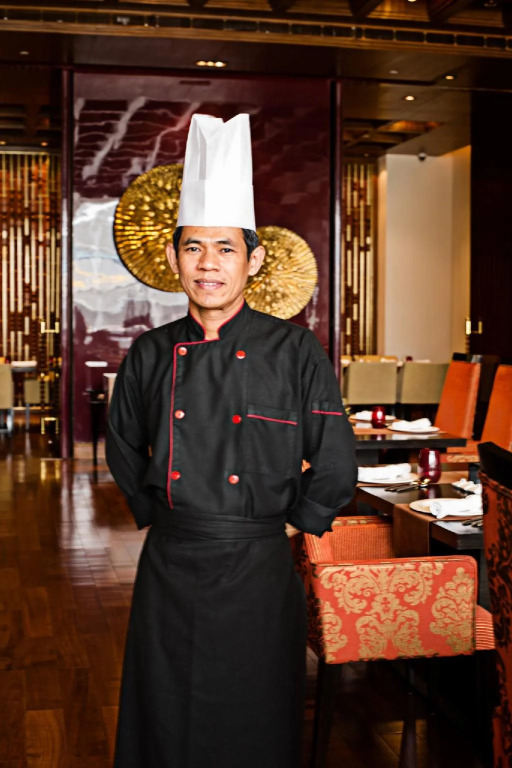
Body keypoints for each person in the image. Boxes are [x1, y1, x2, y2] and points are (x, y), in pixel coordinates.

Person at [106, 113, 357, 768]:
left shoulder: (295, 350)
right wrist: (161, 514)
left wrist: (284, 526)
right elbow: (122, 446)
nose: (208, 264)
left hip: (257, 564)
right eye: (193, 248)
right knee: (164, 712)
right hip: (171, 559)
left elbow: (335, 460)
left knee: (254, 715)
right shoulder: (150, 352)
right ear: (173, 259)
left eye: (225, 248)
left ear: (254, 259)